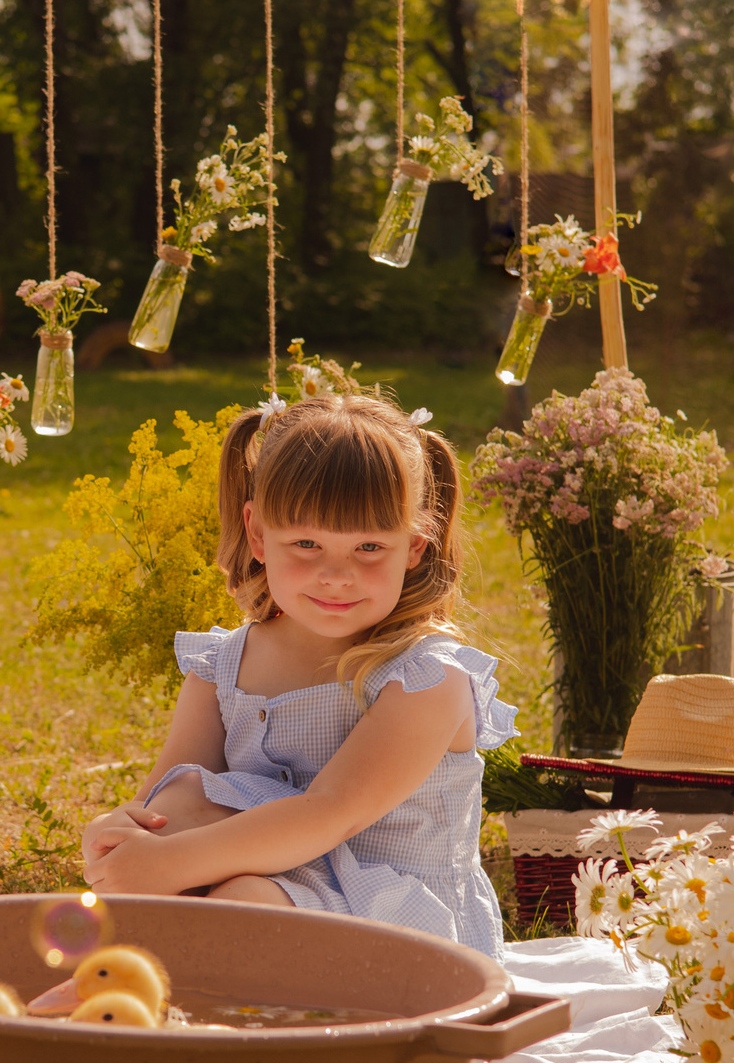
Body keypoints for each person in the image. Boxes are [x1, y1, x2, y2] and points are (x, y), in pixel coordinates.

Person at [80, 393, 515, 957]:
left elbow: (327, 813)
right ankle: (136, 987)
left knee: (241, 898)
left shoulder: (426, 679)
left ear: (413, 547)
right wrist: (121, 837)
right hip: (270, 878)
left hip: (393, 914)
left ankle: (192, 1003)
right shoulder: (222, 668)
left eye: (369, 547)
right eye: (306, 544)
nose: (337, 575)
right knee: (183, 798)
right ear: (258, 535)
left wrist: (170, 863)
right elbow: (162, 807)